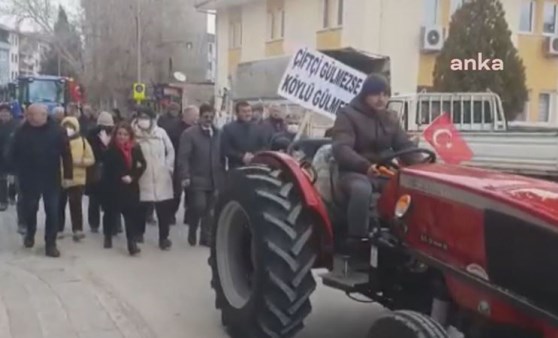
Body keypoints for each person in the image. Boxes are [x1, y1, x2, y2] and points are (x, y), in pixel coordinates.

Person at [332, 74, 419, 241]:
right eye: (376, 94)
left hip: (385, 171)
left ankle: (405, 236)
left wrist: (423, 164)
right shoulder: (347, 115)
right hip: (354, 172)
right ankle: (357, 239)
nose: (381, 99)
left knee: (413, 190)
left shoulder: (390, 118)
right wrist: (366, 166)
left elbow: (405, 146)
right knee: (361, 190)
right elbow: (341, 149)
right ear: (365, 94)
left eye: (385, 94)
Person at [8, 103, 73, 257]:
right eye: (28, 114)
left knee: (52, 211)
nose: (29, 117)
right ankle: (30, 233)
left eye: (33, 114)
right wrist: (12, 171)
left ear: (44, 115)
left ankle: (51, 244)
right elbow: (12, 153)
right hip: (28, 178)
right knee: (30, 209)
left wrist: (68, 176)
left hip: (51, 178)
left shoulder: (57, 131)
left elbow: (67, 154)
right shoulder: (21, 131)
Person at [178, 103, 224, 246]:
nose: (209, 119)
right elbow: (183, 157)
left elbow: (223, 155)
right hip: (196, 178)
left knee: (210, 210)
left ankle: (205, 237)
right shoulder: (190, 134)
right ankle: (192, 229)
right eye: (206, 116)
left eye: (211, 116)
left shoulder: (218, 134)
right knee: (198, 206)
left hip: (214, 178)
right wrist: (185, 175)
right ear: (200, 117)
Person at [133, 106, 175, 250]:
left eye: (146, 117)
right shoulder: (133, 134)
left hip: (161, 176)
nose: (143, 120)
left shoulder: (161, 133)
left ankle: (164, 238)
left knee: (163, 210)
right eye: (141, 117)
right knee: (141, 207)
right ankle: (139, 233)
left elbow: (171, 151)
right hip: (142, 176)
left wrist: (168, 167)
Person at [101, 122, 146, 254]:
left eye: (125, 134)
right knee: (110, 214)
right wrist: (120, 176)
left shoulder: (135, 149)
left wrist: (132, 177)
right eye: (119, 134)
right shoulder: (110, 150)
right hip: (113, 187)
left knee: (131, 215)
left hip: (130, 187)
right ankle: (108, 236)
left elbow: (142, 165)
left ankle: (131, 243)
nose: (122, 137)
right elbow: (108, 169)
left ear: (130, 136)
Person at [58, 116, 95, 241]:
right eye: (65, 126)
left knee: (76, 205)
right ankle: (58, 228)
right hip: (61, 177)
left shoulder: (82, 141)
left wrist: (81, 162)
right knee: (59, 205)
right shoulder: (58, 141)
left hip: (77, 178)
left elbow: (91, 159)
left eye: (71, 127)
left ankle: (77, 229)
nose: (68, 129)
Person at [157, 102, 191, 224]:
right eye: (172, 109)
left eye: (176, 109)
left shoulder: (182, 124)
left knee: (177, 190)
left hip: (178, 159)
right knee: (168, 188)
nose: (174, 111)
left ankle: (171, 214)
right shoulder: (163, 120)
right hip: (167, 157)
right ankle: (166, 213)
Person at [85, 111, 114, 233]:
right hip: (100, 169)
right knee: (106, 199)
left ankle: (95, 224)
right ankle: (106, 225)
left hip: (96, 170)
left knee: (96, 199)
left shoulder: (91, 134)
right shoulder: (95, 135)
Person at [221, 101, 267, 170]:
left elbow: (264, 146)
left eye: (249, 111)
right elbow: (226, 149)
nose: (247, 114)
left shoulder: (258, 128)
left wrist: (254, 156)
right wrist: (242, 157)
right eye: (244, 111)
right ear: (237, 113)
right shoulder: (228, 128)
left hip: (255, 168)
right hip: (236, 169)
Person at [0, 103, 18, 211]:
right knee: (1, 180)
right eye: (2, 113)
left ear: (11, 114)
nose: (4, 115)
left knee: (13, 180)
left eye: (6, 113)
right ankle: (3, 201)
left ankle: (11, 195)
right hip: (1, 157)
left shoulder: (17, 125)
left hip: (13, 157)